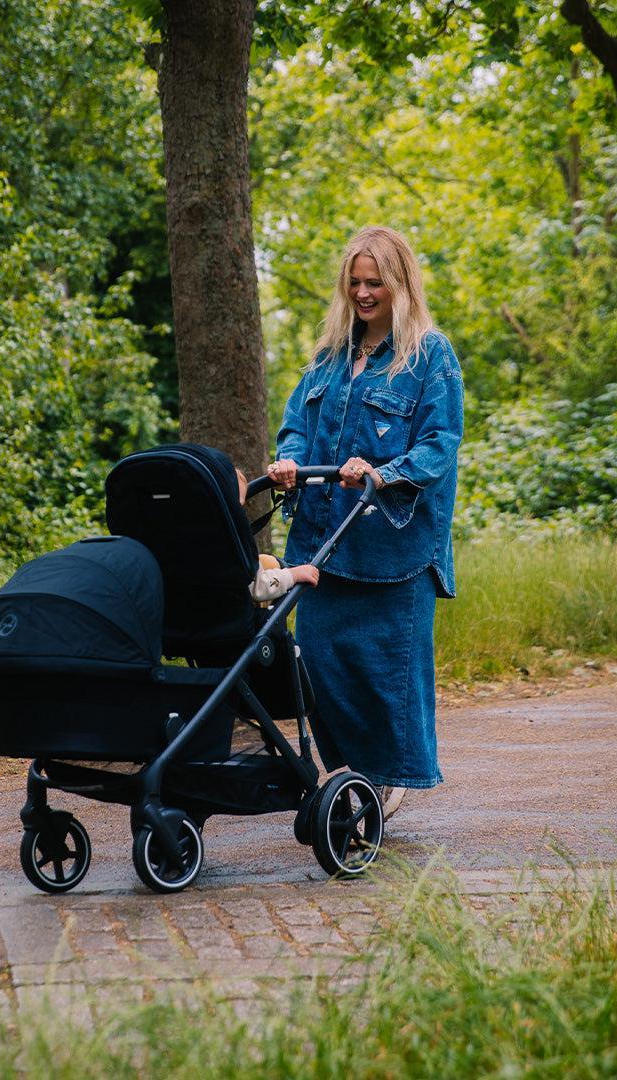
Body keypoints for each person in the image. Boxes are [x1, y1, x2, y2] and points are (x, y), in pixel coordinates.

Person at [266, 225, 464, 821]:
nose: (363, 293)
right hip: (324, 545)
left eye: (375, 282)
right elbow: (296, 421)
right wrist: (291, 461)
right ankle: (351, 778)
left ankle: (384, 779)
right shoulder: (329, 355)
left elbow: (440, 444)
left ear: (400, 283)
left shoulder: (431, 355)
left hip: (394, 548)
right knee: (322, 663)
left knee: (386, 674)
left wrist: (381, 472)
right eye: (354, 282)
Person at [235, 468, 319, 602]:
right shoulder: (227, 545)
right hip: (229, 617)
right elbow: (258, 586)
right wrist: (293, 575)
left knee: (269, 562)